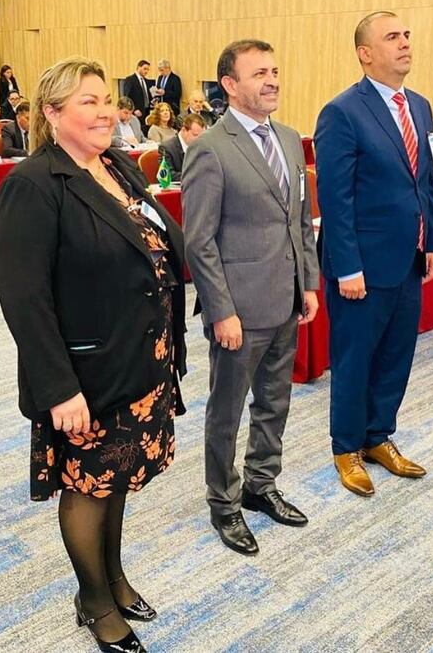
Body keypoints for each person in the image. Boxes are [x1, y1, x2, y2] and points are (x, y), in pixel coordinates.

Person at [0, 56, 187, 653]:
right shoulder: (33, 185)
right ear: (52, 114)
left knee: (117, 477)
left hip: (142, 359)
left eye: (106, 100)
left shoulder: (118, 166)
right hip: (87, 372)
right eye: (88, 102)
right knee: (89, 484)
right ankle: (95, 601)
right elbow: (25, 302)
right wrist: (59, 388)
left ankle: (115, 577)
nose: (105, 112)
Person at [182, 39, 319, 556]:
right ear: (230, 84)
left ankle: (261, 483)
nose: (273, 80)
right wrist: (222, 311)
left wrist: (308, 283)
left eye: (275, 70)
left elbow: (299, 219)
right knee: (227, 411)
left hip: (286, 299)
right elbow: (199, 241)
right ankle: (224, 502)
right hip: (238, 311)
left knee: (275, 401)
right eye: (259, 72)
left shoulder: (288, 139)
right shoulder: (210, 148)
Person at [314, 11, 433, 498]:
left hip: (408, 257)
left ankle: (377, 436)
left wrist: (431, 240)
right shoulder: (342, 112)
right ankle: (346, 447)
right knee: (355, 359)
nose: (405, 42)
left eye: (406, 34)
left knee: (396, 354)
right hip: (361, 266)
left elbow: (425, 182)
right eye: (392, 37)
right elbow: (335, 197)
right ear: (365, 53)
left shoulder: (420, 107)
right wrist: (347, 265)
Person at [158, 113, 205, 181]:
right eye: (195, 135)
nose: (199, 139)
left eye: (201, 136)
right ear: (184, 130)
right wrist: (194, 176)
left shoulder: (202, 146)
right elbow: (167, 174)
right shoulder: (166, 148)